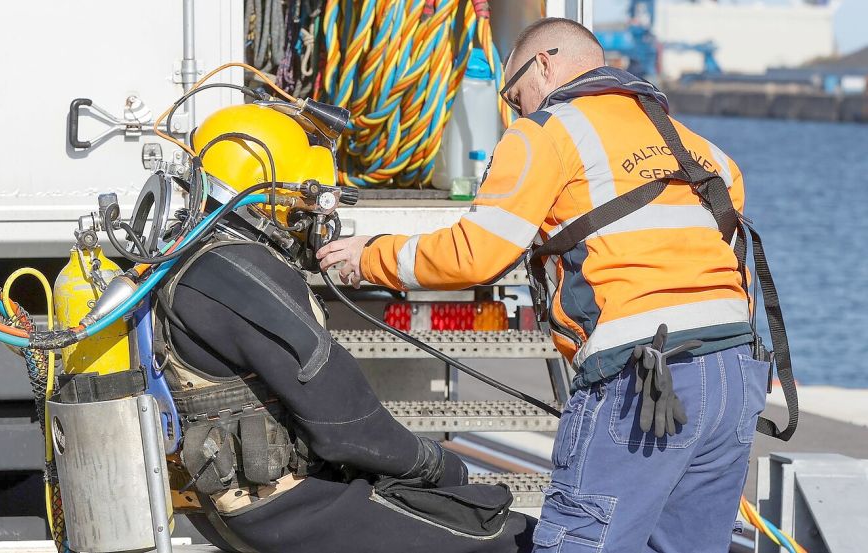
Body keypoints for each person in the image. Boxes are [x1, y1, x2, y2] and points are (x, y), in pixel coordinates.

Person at [318, 17, 771, 553]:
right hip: (735, 375)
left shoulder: (545, 132)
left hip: (643, 381)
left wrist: (370, 257)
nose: (516, 110)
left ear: (547, 63)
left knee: (580, 542)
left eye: (514, 94)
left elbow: (476, 253)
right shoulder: (702, 148)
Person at [157, 101, 535, 553]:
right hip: (292, 508)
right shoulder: (240, 272)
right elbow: (346, 425)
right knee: (512, 537)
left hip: (253, 505)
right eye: (305, 198)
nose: (312, 216)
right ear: (270, 194)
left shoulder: (199, 259)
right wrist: (439, 465)